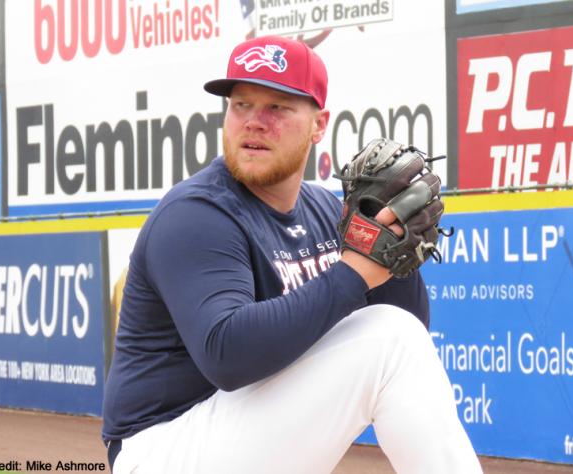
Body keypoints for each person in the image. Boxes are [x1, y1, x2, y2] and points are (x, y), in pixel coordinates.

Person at [102, 35, 482, 473]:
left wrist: (394, 250)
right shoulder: (195, 214)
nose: (254, 122)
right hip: (164, 447)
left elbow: (405, 329)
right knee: (391, 341)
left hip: (245, 428)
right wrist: (356, 269)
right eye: (241, 104)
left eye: (277, 107)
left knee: (396, 337)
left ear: (319, 124)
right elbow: (225, 355)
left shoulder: (323, 210)